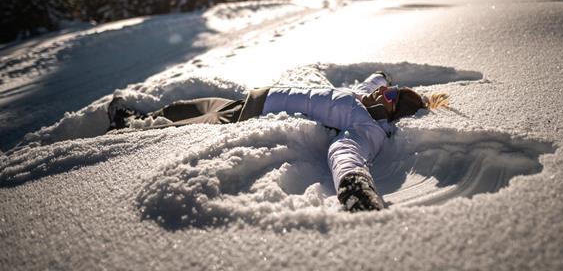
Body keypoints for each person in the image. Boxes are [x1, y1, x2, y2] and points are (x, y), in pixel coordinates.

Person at [107, 72, 449, 212]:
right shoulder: (364, 96)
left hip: (248, 116)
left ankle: (133, 124)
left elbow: (345, 154)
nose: (381, 91)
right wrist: (391, 82)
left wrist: (354, 184)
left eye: (388, 94)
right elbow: (375, 78)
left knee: (190, 121)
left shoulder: (366, 127)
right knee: (193, 106)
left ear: (391, 112)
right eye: (387, 87)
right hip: (256, 97)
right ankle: (143, 115)